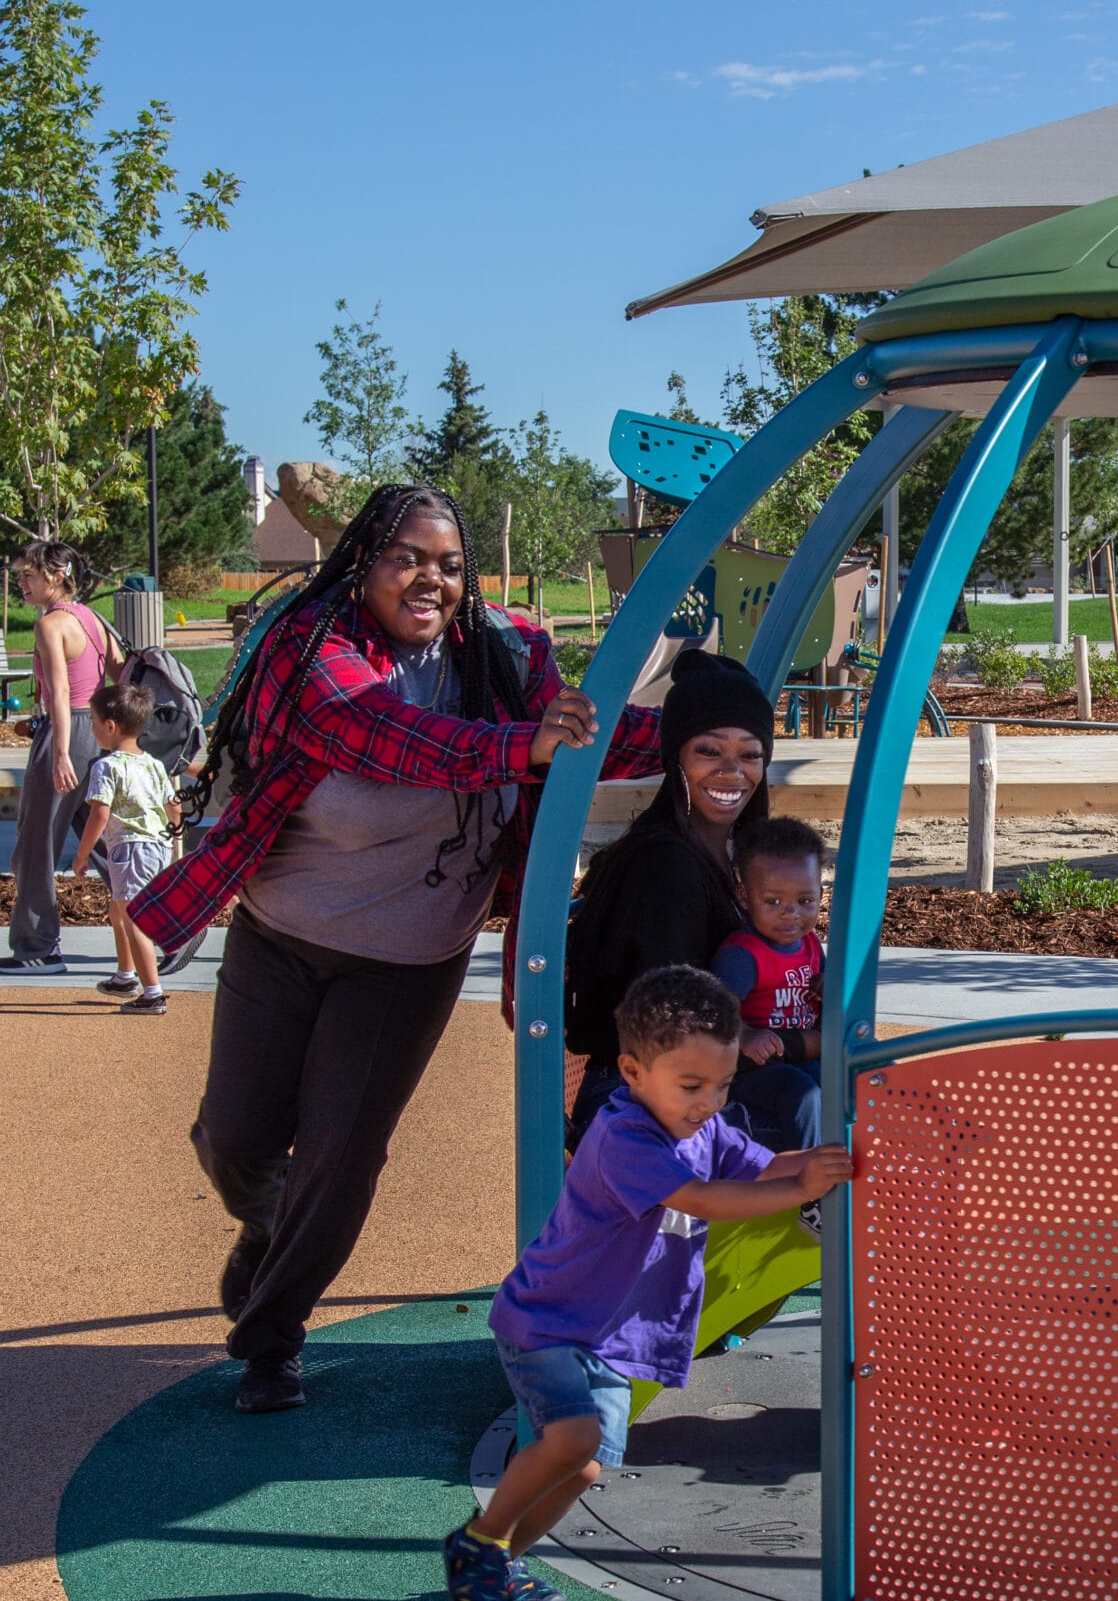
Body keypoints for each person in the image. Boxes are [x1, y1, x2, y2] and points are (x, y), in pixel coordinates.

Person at [127, 482, 598, 1414]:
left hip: (410, 958)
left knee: (342, 1152)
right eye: (409, 558)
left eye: (452, 564)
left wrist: (712, 737)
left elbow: (577, 738)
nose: (432, 579)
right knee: (236, 1138)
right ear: (365, 562)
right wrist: (522, 748)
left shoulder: (507, 656)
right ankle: (267, 1225)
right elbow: (386, 738)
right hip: (283, 932)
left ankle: (272, 1338)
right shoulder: (315, 647)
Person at [444, 964, 853, 1601]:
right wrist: (798, 1190)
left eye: (720, 1085)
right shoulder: (624, 1137)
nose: (707, 1102)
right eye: (690, 1085)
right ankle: (482, 1539)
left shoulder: (703, 1128)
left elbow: (759, 1164)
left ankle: (493, 1560)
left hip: (607, 1335)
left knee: (580, 1468)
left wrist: (818, 1162)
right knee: (573, 1439)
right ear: (633, 1072)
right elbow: (704, 1200)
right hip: (550, 1322)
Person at [564, 647, 820, 1155]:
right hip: (643, 1101)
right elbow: (676, 1035)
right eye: (709, 751)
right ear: (675, 755)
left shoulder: (731, 860)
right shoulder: (665, 868)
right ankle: (831, 1222)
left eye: (749, 755)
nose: (732, 772)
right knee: (844, 1118)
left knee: (866, 1094)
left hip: (699, 1077)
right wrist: (801, 1044)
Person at [2, 542, 124, 975]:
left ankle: (38, 948)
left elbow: (61, 692)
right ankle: (168, 918)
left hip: (66, 733)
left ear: (56, 575)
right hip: (95, 732)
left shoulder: (51, 625)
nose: (21, 583)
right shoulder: (91, 618)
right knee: (102, 844)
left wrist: (58, 753)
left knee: (35, 846)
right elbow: (119, 673)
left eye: (27, 575)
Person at [70, 679, 180, 1013]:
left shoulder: (106, 766)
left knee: (134, 919)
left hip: (129, 849)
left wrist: (82, 852)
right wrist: (175, 841)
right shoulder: (154, 764)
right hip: (156, 846)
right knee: (119, 911)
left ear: (110, 726)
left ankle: (152, 993)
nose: (91, 728)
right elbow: (173, 805)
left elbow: (99, 814)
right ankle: (124, 974)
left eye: (91, 722)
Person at [712, 813, 825, 1080]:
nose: (791, 913)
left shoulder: (810, 943)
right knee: (804, 1095)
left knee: (873, 1067)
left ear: (820, 892)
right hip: (760, 1066)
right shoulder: (743, 953)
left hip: (805, 1054)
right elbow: (717, 1009)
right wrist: (746, 1035)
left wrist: (827, 985)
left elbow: (830, 991)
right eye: (773, 902)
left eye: (805, 900)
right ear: (744, 897)